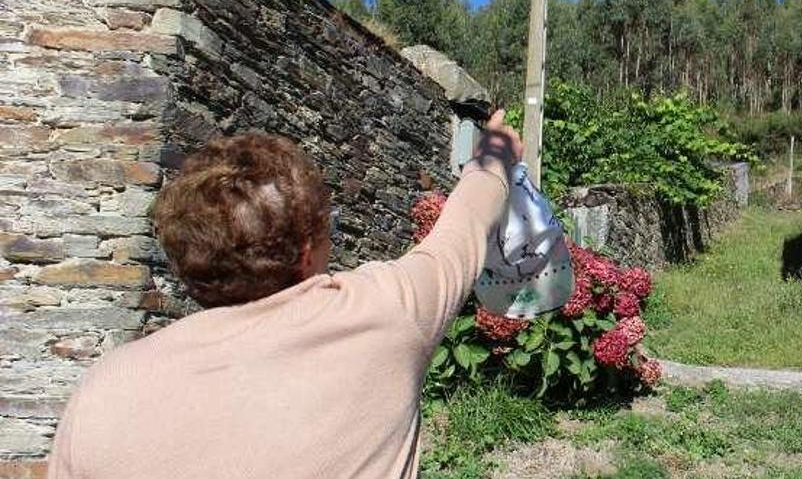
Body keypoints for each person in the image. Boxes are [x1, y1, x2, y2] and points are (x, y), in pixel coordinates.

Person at [47, 112, 523, 478]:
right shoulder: (380, 317)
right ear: (307, 249)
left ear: (185, 262)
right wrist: (496, 151)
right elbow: (464, 225)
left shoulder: (105, 386)